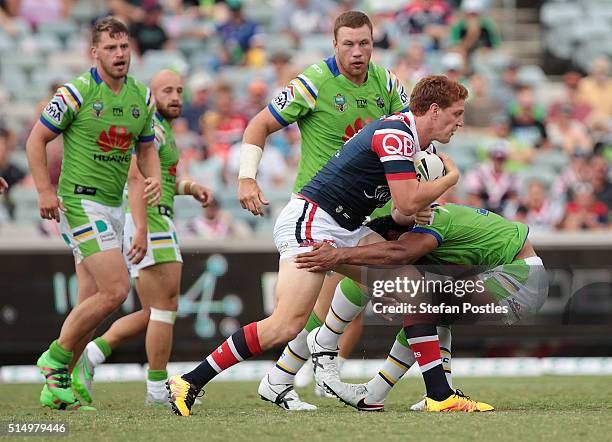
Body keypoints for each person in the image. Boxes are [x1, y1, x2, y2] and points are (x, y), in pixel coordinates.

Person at [167, 74, 471, 417]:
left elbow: (403, 209)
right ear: (434, 110)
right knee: (285, 324)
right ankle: (190, 380)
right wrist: (449, 179)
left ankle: (439, 395)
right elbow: (406, 198)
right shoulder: (395, 135)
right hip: (312, 222)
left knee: (410, 284)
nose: (460, 122)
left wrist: (420, 211)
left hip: (344, 226)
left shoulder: (416, 144)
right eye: (456, 113)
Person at [236, 10, 411, 409]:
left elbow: (413, 132)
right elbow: (258, 125)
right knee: (307, 314)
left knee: (365, 293)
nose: (357, 52)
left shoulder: (387, 83)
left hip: (365, 213)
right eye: (348, 44)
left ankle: (289, 377)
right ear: (335, 45)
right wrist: (247, 176)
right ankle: (303, 375)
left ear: (373, 43)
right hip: (321, 214)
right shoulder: (314, 82)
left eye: (364, 43)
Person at [26, 17, 162, 411]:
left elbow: (147, 147)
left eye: (124, 47)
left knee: (90, 300)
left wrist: (151, 178)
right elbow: (37, 139)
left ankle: (60, 387)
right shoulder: (77, 92)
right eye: (110, 48)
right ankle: (54, 360)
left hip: (113, 203)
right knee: (117, 290)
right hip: (79, 201)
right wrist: (44, 190)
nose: (119, 55)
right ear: (95, 53)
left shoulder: (142, 97)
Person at [294, 203, 547, 412]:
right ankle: (379, 393)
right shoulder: (422, 229)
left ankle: (436, 395)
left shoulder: (425, 227)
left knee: (420, 300)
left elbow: (397, 254)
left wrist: (340, 255)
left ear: (393, 235)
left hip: (520, 276)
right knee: (430, 311)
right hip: (515, 273)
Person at [70, 70, 213, 407]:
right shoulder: (149, 130)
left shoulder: (162, 131)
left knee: (154, 311)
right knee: (165, 307)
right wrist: (142, 229)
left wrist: (191, 187)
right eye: (167, 90)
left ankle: (91, 354)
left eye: (179, 90)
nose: (175, 96)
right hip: (150, 219)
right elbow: (135, 177)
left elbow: (159, 178)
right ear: (151, 94)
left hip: (155, 218)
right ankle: (155, 389)